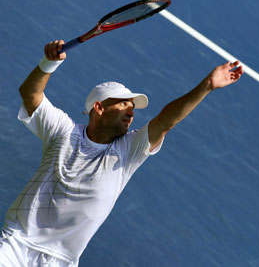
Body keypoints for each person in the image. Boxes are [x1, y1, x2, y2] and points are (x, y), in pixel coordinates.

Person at [0, 40, 244, 266]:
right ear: (99, 107)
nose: (131, 111)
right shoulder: (62, 131)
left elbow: (165, 121)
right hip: (17, 242)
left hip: (60, 262)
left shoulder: (129, 150)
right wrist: (49, 62)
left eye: (133, 107)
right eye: (123, 104)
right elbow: (30, 94)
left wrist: (207, 86)